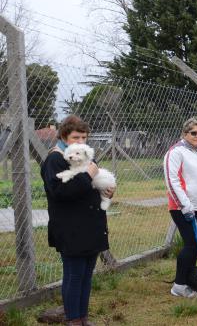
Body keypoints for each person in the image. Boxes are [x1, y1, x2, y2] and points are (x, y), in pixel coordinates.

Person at [41, 115, 114, 326]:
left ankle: (83, 317)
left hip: (91, 225)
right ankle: (73, 319)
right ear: (64, 136)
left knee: (86, 276)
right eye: (75, 137)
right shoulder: (55, 159)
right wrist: (89, 175)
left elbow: (94, 185)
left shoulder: (86, 156)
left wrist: (107, 193)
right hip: (71, 228)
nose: (80, 141)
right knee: (74, 275)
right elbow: (60, 193)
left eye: (84, 137)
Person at [164, 118, 197, 298]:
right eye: (193, 132)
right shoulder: (176, 152)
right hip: (182, 208)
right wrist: (185, 206)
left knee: (195, 245)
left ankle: (189, 280)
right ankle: (178, 286)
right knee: (190, 244)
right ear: (184, 134)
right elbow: (172, 181)